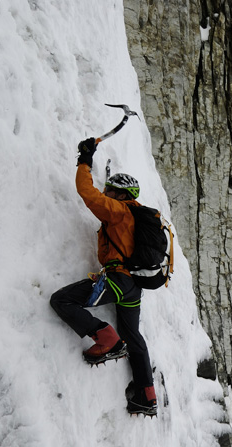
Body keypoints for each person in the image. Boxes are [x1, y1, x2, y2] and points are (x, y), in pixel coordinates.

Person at [50, 137, 157, 416]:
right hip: (133, 287)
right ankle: (147, 395)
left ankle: (107, 339)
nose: (106, 193)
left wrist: (85, 159)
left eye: (110, 191)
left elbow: (88, 193)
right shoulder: (134, 217)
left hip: (117, 280)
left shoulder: (120, 212)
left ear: (122, 196)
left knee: (62, 300)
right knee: (134, 337)